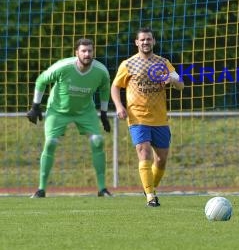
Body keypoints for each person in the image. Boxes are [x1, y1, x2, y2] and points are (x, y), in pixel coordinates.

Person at [27, 38, 113, 198]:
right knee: (51, 143)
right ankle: (41, 190)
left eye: (90, 51)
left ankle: (102, 189)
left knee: (97, 141)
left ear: (93, 52)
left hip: (85, 112)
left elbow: (105, 89)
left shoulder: (101, 71)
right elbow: (41, 80)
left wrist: (103, 114)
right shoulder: (63, 66)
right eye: (83, 51)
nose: (87, 54)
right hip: (57, 111)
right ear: (76, 53)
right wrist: (35, 106)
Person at [111, 28, 184, 207]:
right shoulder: (128, 64)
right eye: (142, 40)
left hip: (159, 119)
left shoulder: (164, 63)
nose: (145, 42)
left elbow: (181, 85)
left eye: (148, 39)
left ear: (154, 42)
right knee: (144, 152)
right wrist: (120, 106)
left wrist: (171, 80)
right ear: (136, 42)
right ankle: (151, 196)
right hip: (137, 117)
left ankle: (149, 187)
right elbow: (115, 87)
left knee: (161, 159)